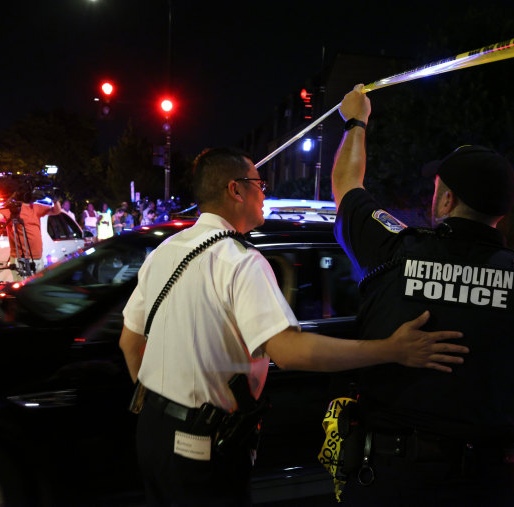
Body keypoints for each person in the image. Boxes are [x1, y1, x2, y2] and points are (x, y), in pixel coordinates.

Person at [119, 147, 469, 506]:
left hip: (152, 431)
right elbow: (288, 352)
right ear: (235, 190)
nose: (264, 192)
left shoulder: (166, 250)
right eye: (259, 183)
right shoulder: (241, 262)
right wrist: (391, 349)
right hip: (200, 446)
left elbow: (130, 342)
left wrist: (161, 405)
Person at [331, 84, 514, 506]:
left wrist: (357, 121)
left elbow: (347, 187)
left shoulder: (392, 252)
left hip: (386, 479)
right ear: (502, 210)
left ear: (446, 199)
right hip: (488, 485)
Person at [0, 198, 61, 281]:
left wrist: (55, 199)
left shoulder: (35, 207)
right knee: (23, 288)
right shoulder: (11, 209)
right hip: (20, 258)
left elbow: (56, 211)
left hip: (38, 257)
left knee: (36, 286)